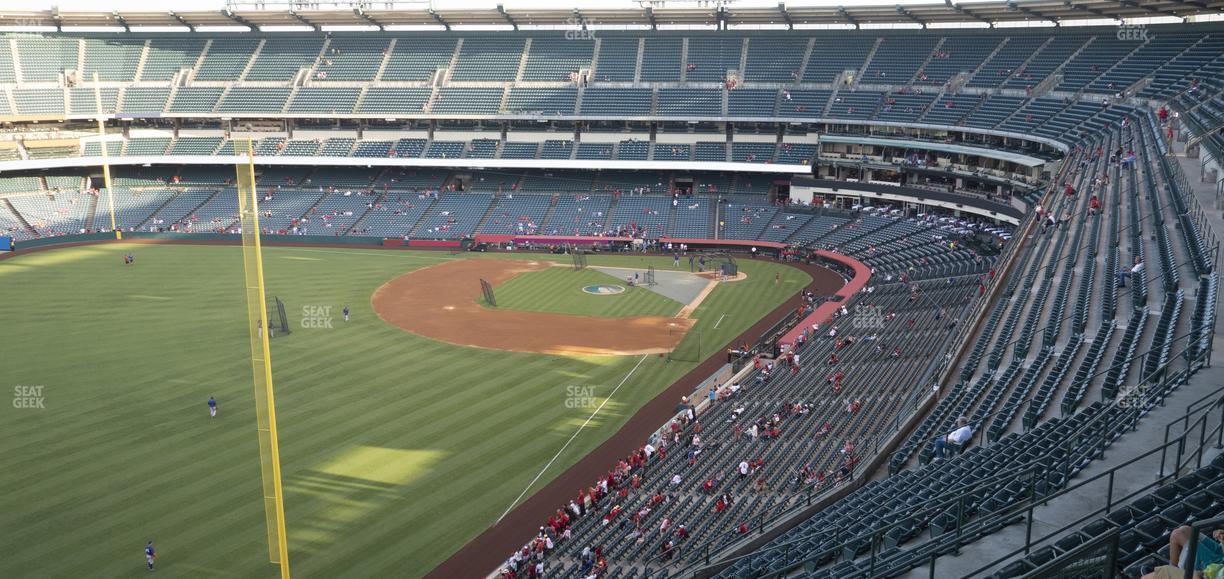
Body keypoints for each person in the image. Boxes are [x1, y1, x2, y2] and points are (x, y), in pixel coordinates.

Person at [1142, 526, 1224, 579]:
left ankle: (1173, 571)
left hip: (1214, 569)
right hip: (1220, 559)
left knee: (1177, 534)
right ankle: (1174, 570)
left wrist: (1199, 574)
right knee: (1186, 529)